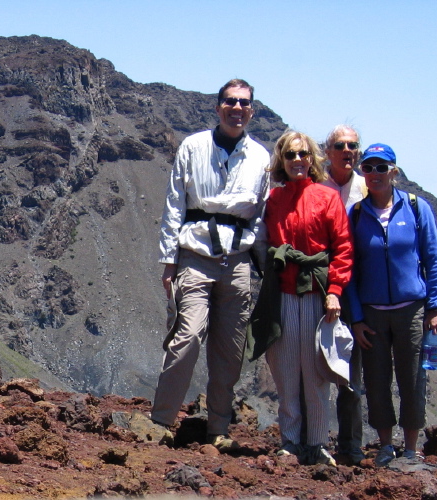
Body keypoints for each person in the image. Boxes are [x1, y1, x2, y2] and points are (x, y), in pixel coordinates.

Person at [151, 78, 270, 451]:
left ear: (252, 110)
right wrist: (169, 260)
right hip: (195, 255)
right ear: (218, 106)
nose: (237, 109)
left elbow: (262, 217)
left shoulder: (261, 157)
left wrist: (265, 269)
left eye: (244, 103)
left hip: (236, 262)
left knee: (230, 349)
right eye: (230, 102)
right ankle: (161, 421)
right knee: (187, 337)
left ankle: (218, 429)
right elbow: (175, 205)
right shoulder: (193, 146)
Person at [347, 143, 437, 467]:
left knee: (413, 380)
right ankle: (386, 445)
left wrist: (435, 307)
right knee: (376, 381)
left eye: (381, 167)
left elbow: (433, 258)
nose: (374, 174)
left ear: (394, 171)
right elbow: (349, 269)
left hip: (412, 311)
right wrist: (357, 318)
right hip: (373, 313)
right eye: (368, 168)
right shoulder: (357, 214)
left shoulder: (417, 208)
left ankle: (411, 448)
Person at [260, 130, 353, 465]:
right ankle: (290, 439)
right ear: (282, 161)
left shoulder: (327, 198)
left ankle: (316, 442)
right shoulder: (275, 200)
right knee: (286, 369)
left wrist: (335, 292)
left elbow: (342, 249)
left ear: (312, 158)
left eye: (303, 154)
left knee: (314, 371)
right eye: (290, 155)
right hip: (283, 293)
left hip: (316, 293)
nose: (297, 160)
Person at [321, 125, 367, 464]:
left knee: (353, 373)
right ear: (328, 150)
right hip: (321, 288)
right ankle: (313, 438)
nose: (347, 150)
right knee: (315, 365)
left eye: (353, 145)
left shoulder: (369, 187)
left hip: (359, 292)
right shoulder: (315, 187)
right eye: (340, 145)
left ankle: (351, 445)